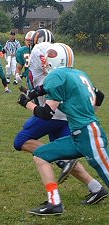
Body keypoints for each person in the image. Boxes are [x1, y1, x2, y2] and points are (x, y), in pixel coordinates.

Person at [14, 29, 107, 207]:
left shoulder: (44, 56)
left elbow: (47, 97)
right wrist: (30, 93)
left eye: (48, 55)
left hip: (55, 114)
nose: (45, 57)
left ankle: (61, 164)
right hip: (71, 117)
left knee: (21, 140)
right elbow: (98, 95)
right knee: (58, 153)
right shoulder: (74, 70)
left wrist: (26, 102)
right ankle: (95, 188)